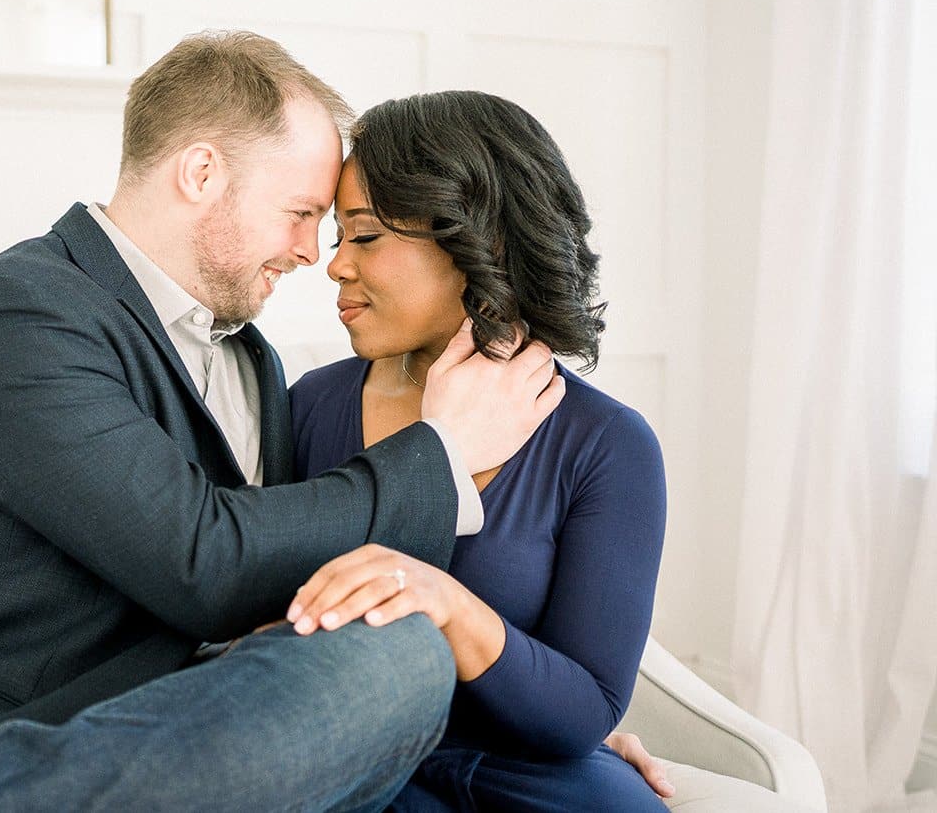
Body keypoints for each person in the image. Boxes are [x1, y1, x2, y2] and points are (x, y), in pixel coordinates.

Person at [0, 35, 665, 811]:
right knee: (400, 653)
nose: (315, 256)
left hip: (206, 743)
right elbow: (206, 562)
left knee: (400, 663)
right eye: (306, 214)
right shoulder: (18, 312)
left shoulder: (254, 362)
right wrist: (446, 454)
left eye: (345, 231)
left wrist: (544, 710)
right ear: (202, 171)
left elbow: (294, 588)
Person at [285, 91, 668, 811]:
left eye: (364, 237)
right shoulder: (310, 407)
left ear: (480, 244)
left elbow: (584, 709)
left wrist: (445, 603)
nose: (333, 266)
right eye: (339, 236)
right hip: (345, 757)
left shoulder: (608, 446)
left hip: (518, 772)